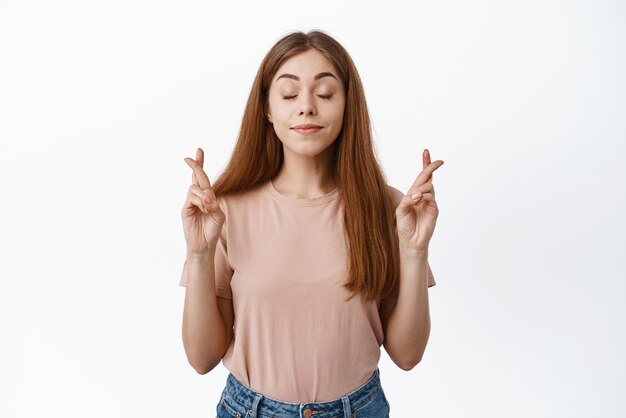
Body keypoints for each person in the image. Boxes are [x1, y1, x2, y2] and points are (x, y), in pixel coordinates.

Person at [179, 29, 444, 418]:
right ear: (267, 108)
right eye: (289, 95)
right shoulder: (226, 210)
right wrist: (199, 254)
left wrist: (415, 251)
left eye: (324, 94)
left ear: (347, 105)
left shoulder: (387, 206)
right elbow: (202, 359)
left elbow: (407, 356)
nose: (306, 107)